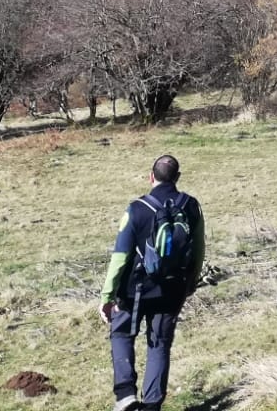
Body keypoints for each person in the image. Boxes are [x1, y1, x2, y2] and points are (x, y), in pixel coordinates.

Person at [101, 154, 206, 411]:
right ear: (177, 178)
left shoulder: (136, 209)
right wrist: (191, 282)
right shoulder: (191, 206)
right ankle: (151, 405)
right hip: (173, 288)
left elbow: (120, 256)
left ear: (151, 177)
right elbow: (199, 249)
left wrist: (107, 296)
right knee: (159, 344)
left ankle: (125, 395)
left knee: (121, 333)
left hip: (134, 290)